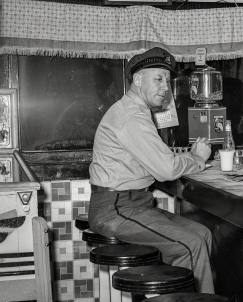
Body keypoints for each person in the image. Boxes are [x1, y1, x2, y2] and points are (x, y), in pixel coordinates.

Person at [88, 47, 215, 293]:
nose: (165, 87)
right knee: (190, 244)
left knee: (202, 233)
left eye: (167, 80)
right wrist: (197, 159)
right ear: (137, 80)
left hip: (135, 205)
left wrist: (186, 157)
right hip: (115, 209)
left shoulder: (138, 112)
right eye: (158, 79)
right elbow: (165, 170)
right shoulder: (131, 116)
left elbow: (158, 161)